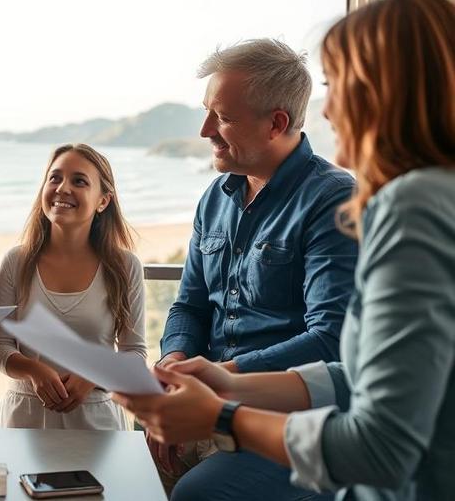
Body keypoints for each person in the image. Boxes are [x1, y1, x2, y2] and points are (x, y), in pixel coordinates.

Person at [115, 0, 455, 501]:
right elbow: (355, 371)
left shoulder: (399, 206)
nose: (330, 108)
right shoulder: (217, 196)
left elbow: (374, 428)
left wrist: (221, 407)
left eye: (338, 86)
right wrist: (211, 377)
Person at [151, 39, 358, 499]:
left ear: (276, 123)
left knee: (195, 494)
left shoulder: (334, 200)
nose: (205, 130)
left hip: (291, 418)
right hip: (210, 397)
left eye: (222, 117)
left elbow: (331, 337)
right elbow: (190, 303)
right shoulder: (215, 197)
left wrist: (219, 380)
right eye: (207, 112)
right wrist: (175, 362)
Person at [0, 143, 146, 430]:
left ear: (103, 201)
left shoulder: (125, 267)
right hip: (24, 421)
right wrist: (34, 371)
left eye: (79, 181)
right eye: (55, 178)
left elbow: (135, 354)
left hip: (98, 423)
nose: (63, 188)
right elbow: (0, 347)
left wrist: (93, 375)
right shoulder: (17, 261)